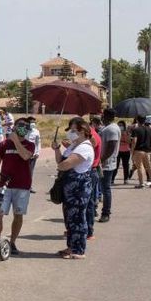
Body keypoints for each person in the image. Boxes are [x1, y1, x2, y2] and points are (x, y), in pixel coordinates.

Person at [0, 118, 35, 255]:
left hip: (22, 185)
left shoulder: (29, 145)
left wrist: (15, 141)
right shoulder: (3, 144)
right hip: (4, 185)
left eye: (26, 127)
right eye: (20, 126)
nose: (23, 129)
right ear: (14, 127)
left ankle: (12, 242)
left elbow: (26, 156)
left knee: (18, 214)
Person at [54, 118, 95, 259]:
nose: (71, 133)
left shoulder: (84, 147)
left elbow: (65, 165)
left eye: (73, 130)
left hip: (79, 190)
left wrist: (61, 164)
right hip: (69, 190)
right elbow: (60, 161)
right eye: (70, 130)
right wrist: (56, 150)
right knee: (70, 219)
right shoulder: (73, 146)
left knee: (77, 219)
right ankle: (71, 247)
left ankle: (78, 250)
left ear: (83, 131)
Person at [98, 108, 120, 223]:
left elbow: (111, 147)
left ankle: (106, 213)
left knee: (105, 189)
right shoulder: (107, 127)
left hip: (107, 164)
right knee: (101, 188)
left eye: (103, 115)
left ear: (106, 116)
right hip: (103, 162)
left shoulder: (112, 129)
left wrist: (101, 160)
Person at [86, 117, 102, 240]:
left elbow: (93, 145)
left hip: (91, 171)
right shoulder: (91, 135)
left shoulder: (93, 136)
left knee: (89, 203)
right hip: (91, 170)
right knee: (87, 202)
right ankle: (86, 229)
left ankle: (89, 231)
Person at [130, 115, 151, 188]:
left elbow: (134, 141)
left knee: (140, 167)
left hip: (138, 150)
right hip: (148, 151)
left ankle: (141, 183)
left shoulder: (136, 130)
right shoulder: (149, 129)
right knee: (149, 167)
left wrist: (132, 152)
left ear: (137, 120)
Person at [24, 116, 42, 192]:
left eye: (34, 123)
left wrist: (37, 152)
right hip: (23, 154)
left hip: (33, 154)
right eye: (31, 122)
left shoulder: (36, 132)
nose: (33, 124)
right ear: (27, 123)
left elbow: (38, 143)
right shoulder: (23, 131)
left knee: (30, 171)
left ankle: (29, 186)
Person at [113, 120, 131, 184]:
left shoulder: (127, 132)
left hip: (126, 151)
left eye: (121, 125)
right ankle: (112, 179)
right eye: (119, 125)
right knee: (116, 165)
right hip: (118, 150)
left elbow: (129, 142)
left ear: (124, 126)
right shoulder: (116, 132)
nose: (120, 127)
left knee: (125, 165)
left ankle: (126, 179)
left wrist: (124, 135)